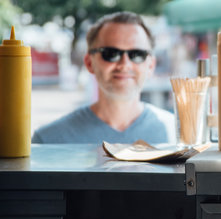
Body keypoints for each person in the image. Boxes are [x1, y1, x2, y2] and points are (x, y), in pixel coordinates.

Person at [32, 11, 174, 144]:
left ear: (151, 65)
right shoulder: (48, 141)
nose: (124, 65)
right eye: (111, 53)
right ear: (89, 63)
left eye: (137, 54)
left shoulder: (178, 136)